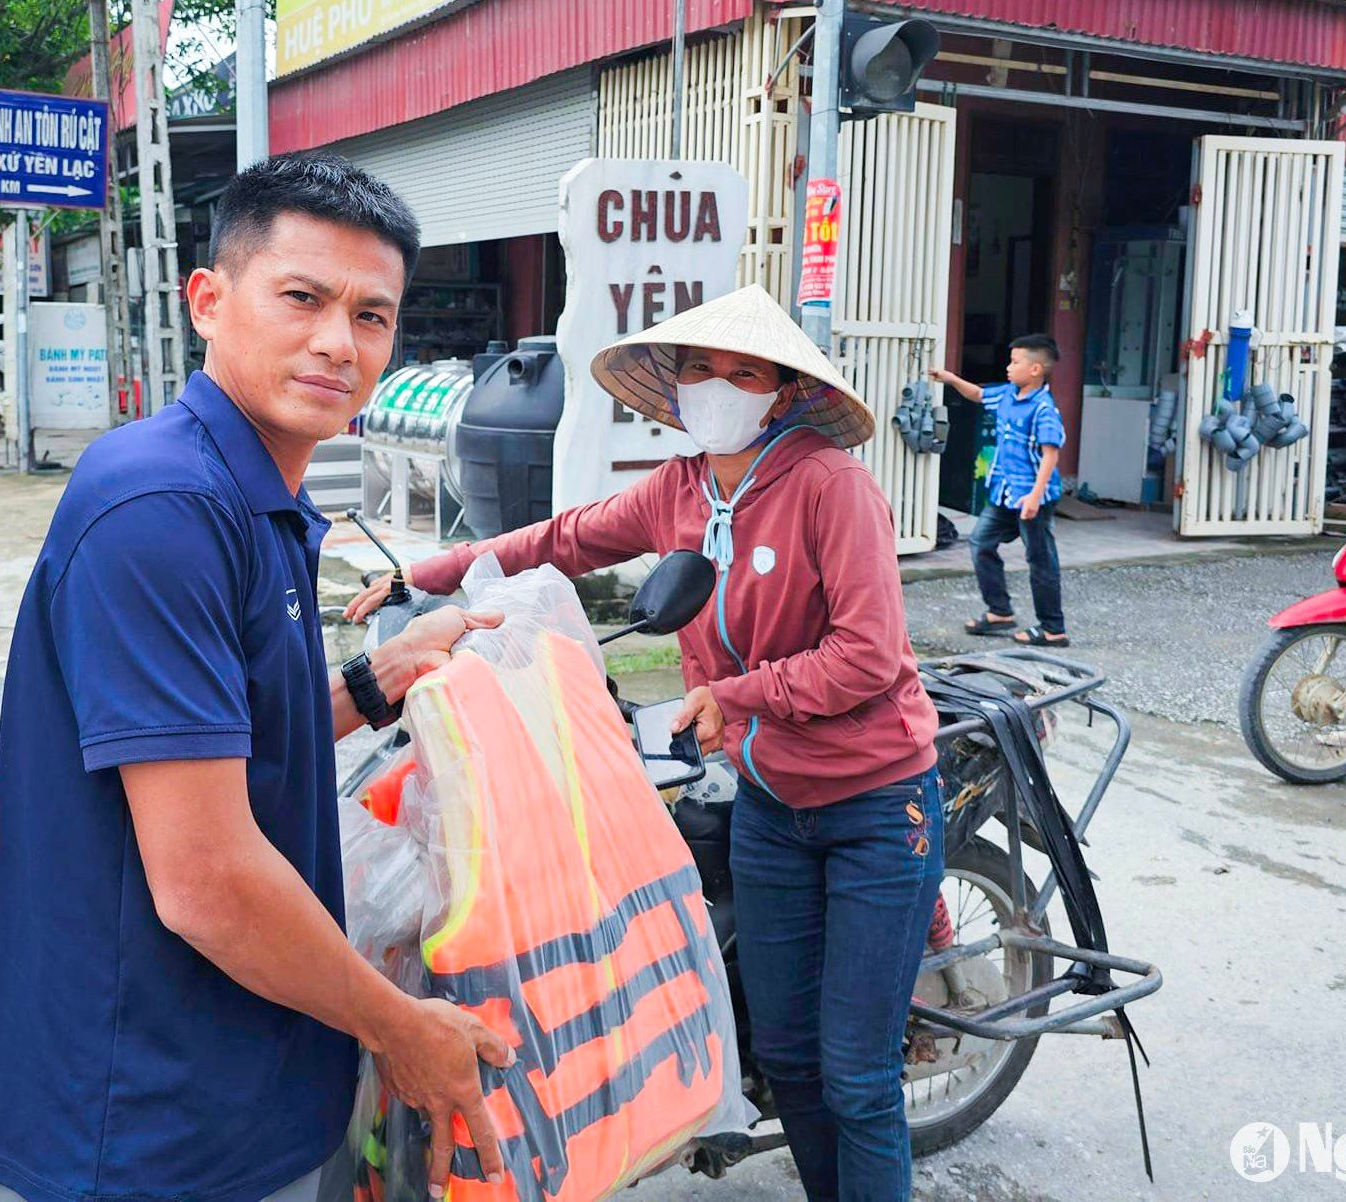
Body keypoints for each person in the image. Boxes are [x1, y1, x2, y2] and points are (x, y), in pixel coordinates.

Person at [0, 154, 513, 1202]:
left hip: (247, 1084)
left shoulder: (255, 497)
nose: (335, 342)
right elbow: (205, 878)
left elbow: (232, 738)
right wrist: (402, 1030)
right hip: (146, 1129)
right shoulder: (161, 507)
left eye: (371, 315)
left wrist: (374, 680)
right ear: (208, 300)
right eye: (300, 297)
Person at [346, 285, 945, 1202]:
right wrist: (419, 580)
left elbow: (869, 656)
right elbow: (567, 540)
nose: (717, 385)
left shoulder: (833, 486)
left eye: (742, 372)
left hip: (873, 804)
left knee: (854, 1075)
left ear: (781, 392)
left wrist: (735, 694)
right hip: (771, 804)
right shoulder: (684, 487)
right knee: (784, 1054)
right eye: (701, 368)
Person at [931, 333, 1069, 647]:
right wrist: (951, 379)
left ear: (1035, 369)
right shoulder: (1007, 394)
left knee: (1040, 559)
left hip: (1032, 496)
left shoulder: (1043, 408)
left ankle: (1053, 628)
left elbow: (1051, 454)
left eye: (1015, 362)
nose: (1008, 367)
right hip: (1003, 493)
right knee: (981, 542)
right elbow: (979, 394)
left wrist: (1034, 497)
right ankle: (1000, 611)